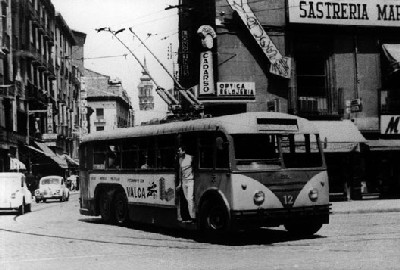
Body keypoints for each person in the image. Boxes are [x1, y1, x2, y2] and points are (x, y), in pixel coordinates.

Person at [177, 146, 195, 221]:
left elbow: (194, 168)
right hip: (184, 181)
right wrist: (180, 183)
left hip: (191, 180)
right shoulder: (180, 160)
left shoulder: (191, 158)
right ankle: (189, 217)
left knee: (190, 198)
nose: (178, 152)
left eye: (179, 151)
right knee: (187, 199)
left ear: (183, 151)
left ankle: (193, 217)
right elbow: (180, 172)